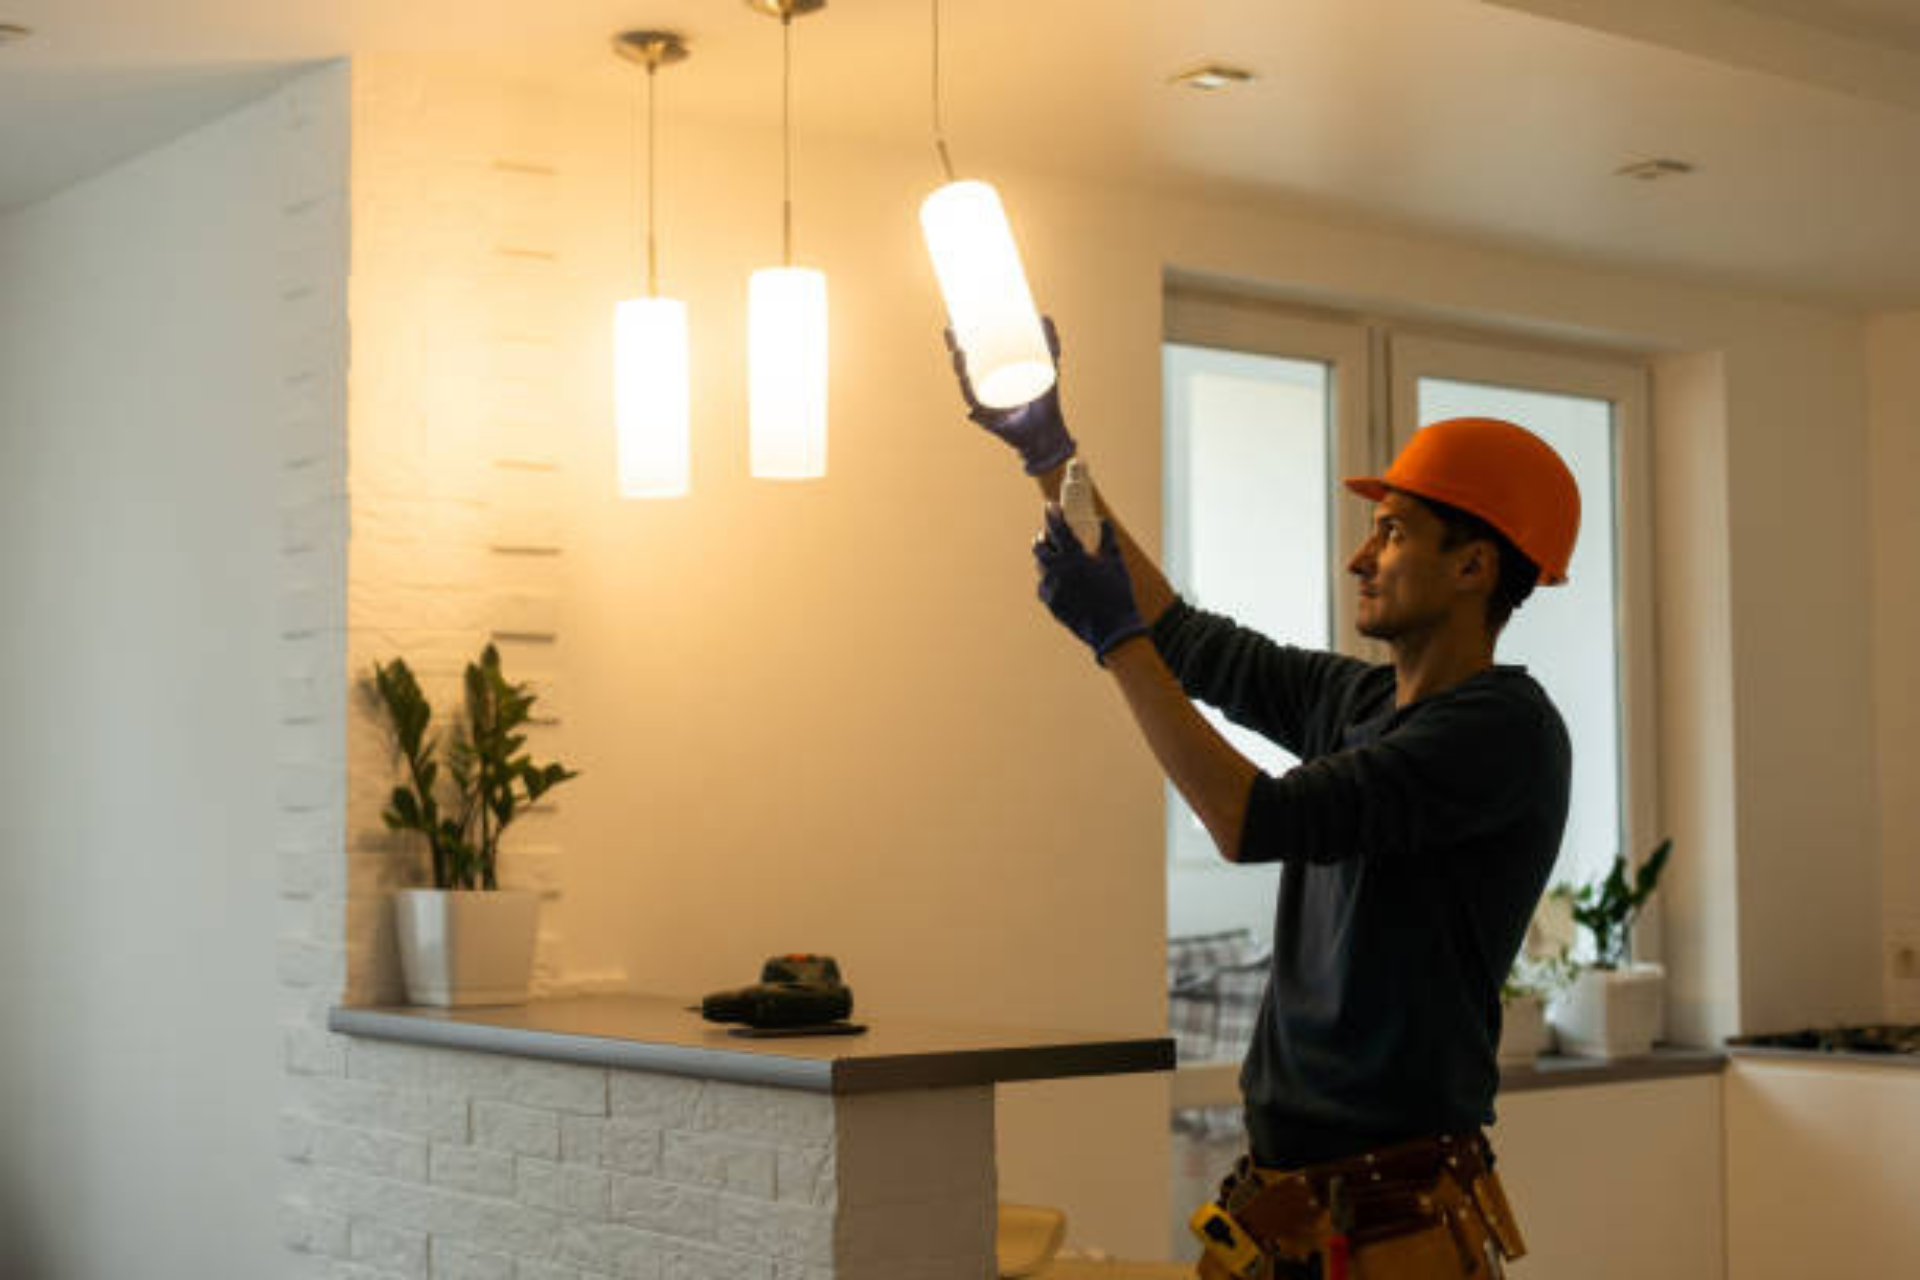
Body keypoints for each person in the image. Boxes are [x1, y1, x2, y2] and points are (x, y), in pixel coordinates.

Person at [948, 321, 1579, 1280]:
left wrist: (1115, 643)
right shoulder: (1362, 700)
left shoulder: (1501, 732)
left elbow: (1249, 820)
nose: (1361, 558)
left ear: (1473, 565)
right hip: (1293, 1209)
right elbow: (1183, 634)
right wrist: (1050, 454)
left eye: (1394, 529)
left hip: (1391, 1225)